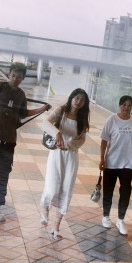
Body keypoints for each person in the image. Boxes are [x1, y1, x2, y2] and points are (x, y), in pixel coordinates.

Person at [0, 62, 50, 222]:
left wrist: (42, 109)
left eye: (19, 77)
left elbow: (23, 114)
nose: (15, 79)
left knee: (3, 172)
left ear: (23, 79)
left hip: (9, 140)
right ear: (9, 75)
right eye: (13, 76)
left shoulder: (21, 95)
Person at [40, 88, 91, 240]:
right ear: (71, 98)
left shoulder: (82, 119)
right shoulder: (61, 110)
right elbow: (45, 123)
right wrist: (57, 133)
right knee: (51, 185)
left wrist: (68, 144)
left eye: (82, 100)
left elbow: (81, 140)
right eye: (76, 98)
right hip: (56, 153)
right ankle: (45, 212)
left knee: (66, 189)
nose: (78, 101)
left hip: (71, 156)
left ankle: (56, 227)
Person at [99, 95, 132, 236]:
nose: (126, 107)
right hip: (111, 161)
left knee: (126, 191)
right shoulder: (111, 120)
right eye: (124, 104)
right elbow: (104, 140)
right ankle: (106, 216)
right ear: (119, 105)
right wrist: (102, 159)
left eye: (129, 105)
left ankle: (121, 220)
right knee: (108, 190)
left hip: (127, 163)